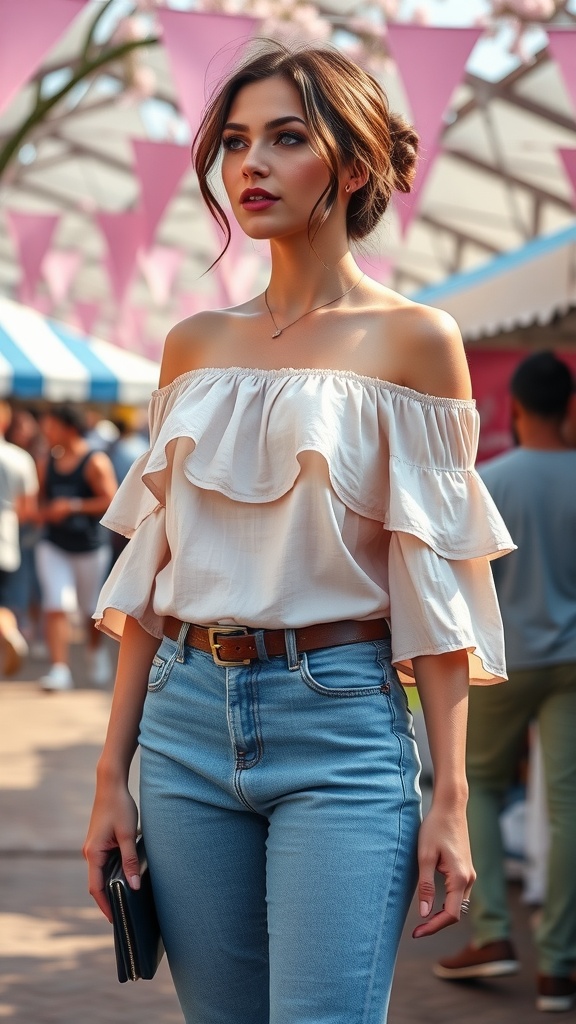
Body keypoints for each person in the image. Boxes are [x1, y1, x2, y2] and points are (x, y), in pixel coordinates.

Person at [83, 42, 514, 1024]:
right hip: (184, 727)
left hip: (342, 727)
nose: (250, 166)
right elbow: (150, 571)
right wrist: (111, 776)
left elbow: (434, 588)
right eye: (234, 142)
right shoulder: (193, 342)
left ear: (353, 166)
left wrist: (451, 796)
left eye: (285, 137)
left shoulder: (415, 339)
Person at [434, 352, 576, 1014]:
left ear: (515, 407)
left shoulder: (489, 481)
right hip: (573, 665)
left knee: (481, 788)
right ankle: (560, 965)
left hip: (504, 661)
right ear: (569, 408)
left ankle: (492, 932)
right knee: (568, 806)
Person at [35, 404, 118, 690]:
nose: (45, 431)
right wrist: (43, 511)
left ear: (68, 428)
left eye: (50, 425)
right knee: (55, 603)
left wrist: (71, 506)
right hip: (54, 543)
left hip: (89, 547)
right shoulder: (47, 461)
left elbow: (112, 500)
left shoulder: (95, 461)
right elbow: (39, 501)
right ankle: (60, 669)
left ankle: (93, 650)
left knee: (89, 609)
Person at [0, 400, 38, 675]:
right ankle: (8, 629)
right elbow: (28, 510)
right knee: (5, 599)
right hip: (6, 539)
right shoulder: (20, 458)